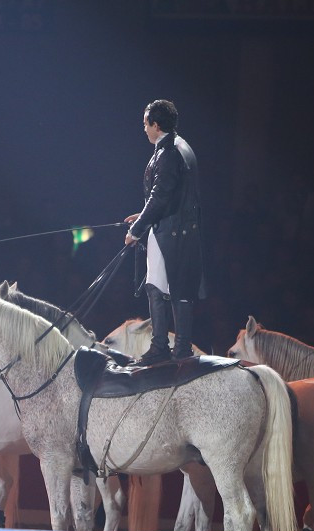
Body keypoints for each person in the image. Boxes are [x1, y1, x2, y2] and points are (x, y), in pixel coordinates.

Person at [124, 99, 205, 365]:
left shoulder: (168, 153)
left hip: (170, 232)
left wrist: (137, 229)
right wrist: (143, 214)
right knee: (168, 286)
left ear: (156, 125)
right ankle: (172, 346)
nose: (143, 129)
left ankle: (168, 347)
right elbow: (169, 196)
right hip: (175, 228)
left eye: (145, 124)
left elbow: (160, 196)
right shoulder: (179, 145)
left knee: (162, 287)